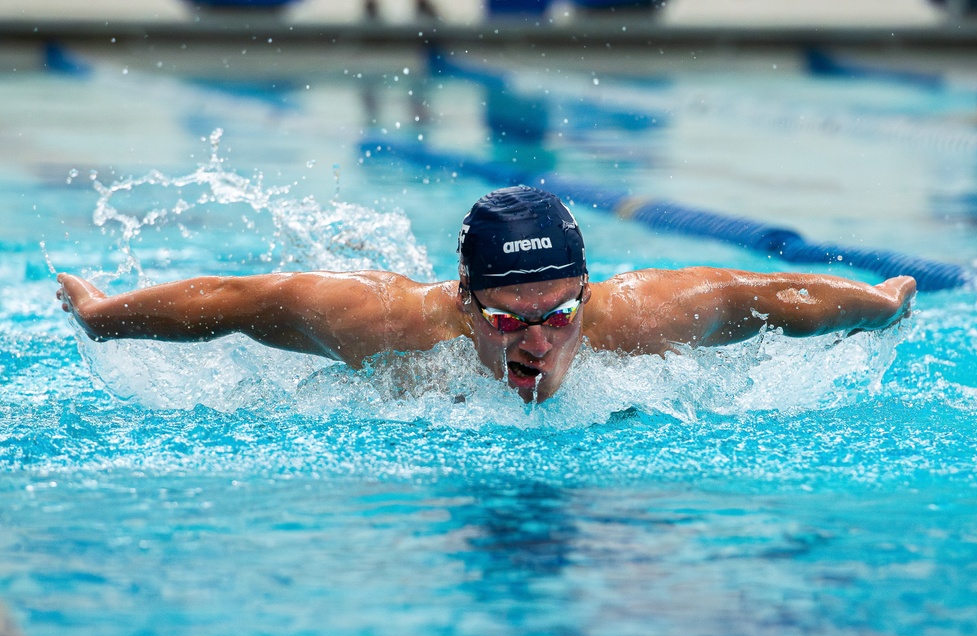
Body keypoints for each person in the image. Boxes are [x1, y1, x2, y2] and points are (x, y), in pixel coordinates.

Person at [57, 186, 916, 403]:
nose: (537, 345)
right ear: (465, 302)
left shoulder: (644, 315)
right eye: (509, 320)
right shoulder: (382, 320)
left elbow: (771, 291)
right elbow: (235, 299)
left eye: (560, 315)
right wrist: (102, 316)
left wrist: (879, 302)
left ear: (587, 290)